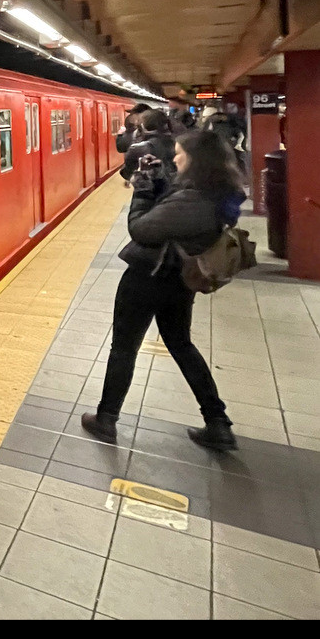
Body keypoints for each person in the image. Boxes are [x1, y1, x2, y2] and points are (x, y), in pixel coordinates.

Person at [81, 130, 245, 451]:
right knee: (181, 345)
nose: (174, 158)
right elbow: (173, 210)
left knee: (124, 347)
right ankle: (217, 423)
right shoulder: (210, 193)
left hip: (150, 277)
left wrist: (141, 190)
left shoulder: (193, 201)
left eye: (180, 154)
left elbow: (142, 229)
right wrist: (157, 181)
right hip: (176, 281)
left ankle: (106, 419)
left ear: (196, 161)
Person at [120, 108, 175, 182]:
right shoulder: (178, 142)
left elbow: (126, 173)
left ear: (143, 126)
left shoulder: (137, 148)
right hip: (175, 188)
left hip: (149, 190)